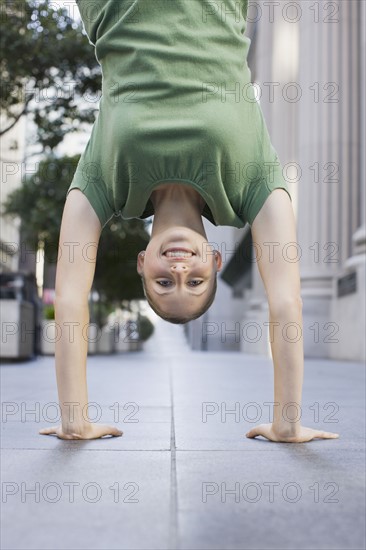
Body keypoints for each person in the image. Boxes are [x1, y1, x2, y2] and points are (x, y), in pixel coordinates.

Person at [39, 0, 339, 443]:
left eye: (164, 284)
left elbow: (68, 300)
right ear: (215, 260)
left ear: (143, 263)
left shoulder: (106, 185)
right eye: (195, 283)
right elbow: (287, 303)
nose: (179, 273)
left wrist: (74, 419)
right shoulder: (252, 186)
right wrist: (288, 423)